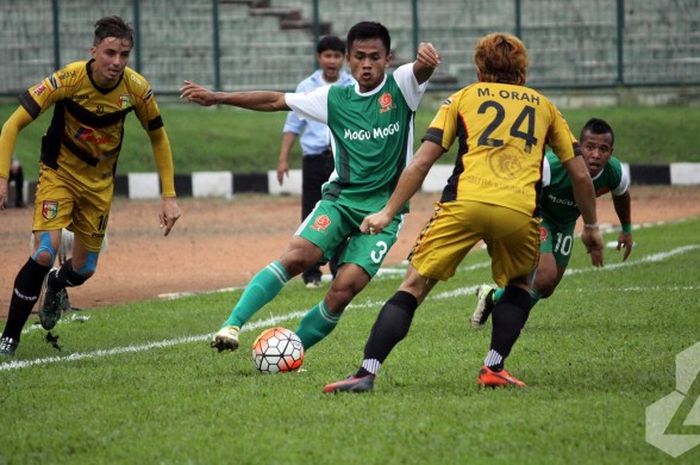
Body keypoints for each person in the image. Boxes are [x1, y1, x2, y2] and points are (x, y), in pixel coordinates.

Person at [323, 32, 604, 394]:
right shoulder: (545, 107)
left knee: (414, 285)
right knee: (519, 284)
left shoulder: (462, 98)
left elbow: (422, 161)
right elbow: (580, 173)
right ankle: (494, 367)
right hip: (518, 209)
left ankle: (366, 372)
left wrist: (387, 211)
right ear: (522, 69)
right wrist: (592, 226)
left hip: (464, 204)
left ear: (478, 67)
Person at [181, 21, 440, 354]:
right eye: (359, 57)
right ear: (348, 59)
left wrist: (427, 58)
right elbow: (275, 100)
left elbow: (422, 68)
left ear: (387, 59)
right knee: (297, 257)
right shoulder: (333, 98)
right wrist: (217, 97)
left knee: (342, 290)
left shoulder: (401, 86)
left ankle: (290, 351)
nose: (366, 64)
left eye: (374, 57)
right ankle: (231, 325)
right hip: (340, 201)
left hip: (383, 212)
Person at [0, 16, 181, 356]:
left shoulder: (136, 89)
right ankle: (9, 337)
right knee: (43, 251)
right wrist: (2, 178)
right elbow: (12, 124)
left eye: (124, 55)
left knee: (84, 269)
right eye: (110, 53)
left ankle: (56, 283)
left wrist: (169, 196)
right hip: (59, 174)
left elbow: (158, 137)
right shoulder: (67, 79)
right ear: (94, 50)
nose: (116, 62)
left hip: (98, 186)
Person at [471, 118, 632, 328]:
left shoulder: (615, 172)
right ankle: (510, 319)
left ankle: (492, 297)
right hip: (538, 215)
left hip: (565, 223)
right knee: (545, 275)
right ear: (578, 146)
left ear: (611, 151)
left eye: (603, 149)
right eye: (590, 147)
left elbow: (622, 196)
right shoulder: (551, 165)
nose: (595, 155)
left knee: (547, 287)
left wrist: (626, 229)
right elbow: (524, 191)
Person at [277, 36, 355, 288]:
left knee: (342, 211)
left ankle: (339, 268)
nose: (332, 61)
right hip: (313, 159)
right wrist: (283, 158)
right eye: (327, 56)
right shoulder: (306, 86)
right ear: (318, 57)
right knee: (311, 212)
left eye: (336, 56)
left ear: (343, 58)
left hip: (341, 160)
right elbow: (293, 125)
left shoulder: (351, 85)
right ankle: (311, 273)